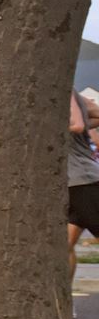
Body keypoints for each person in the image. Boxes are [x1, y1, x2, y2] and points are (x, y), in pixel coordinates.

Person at [66, 93, 99, 301]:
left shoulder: (65, 91)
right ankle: (64, 299)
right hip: (68, 183)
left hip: (83, 181)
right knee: (63, 246)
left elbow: (77, 125)